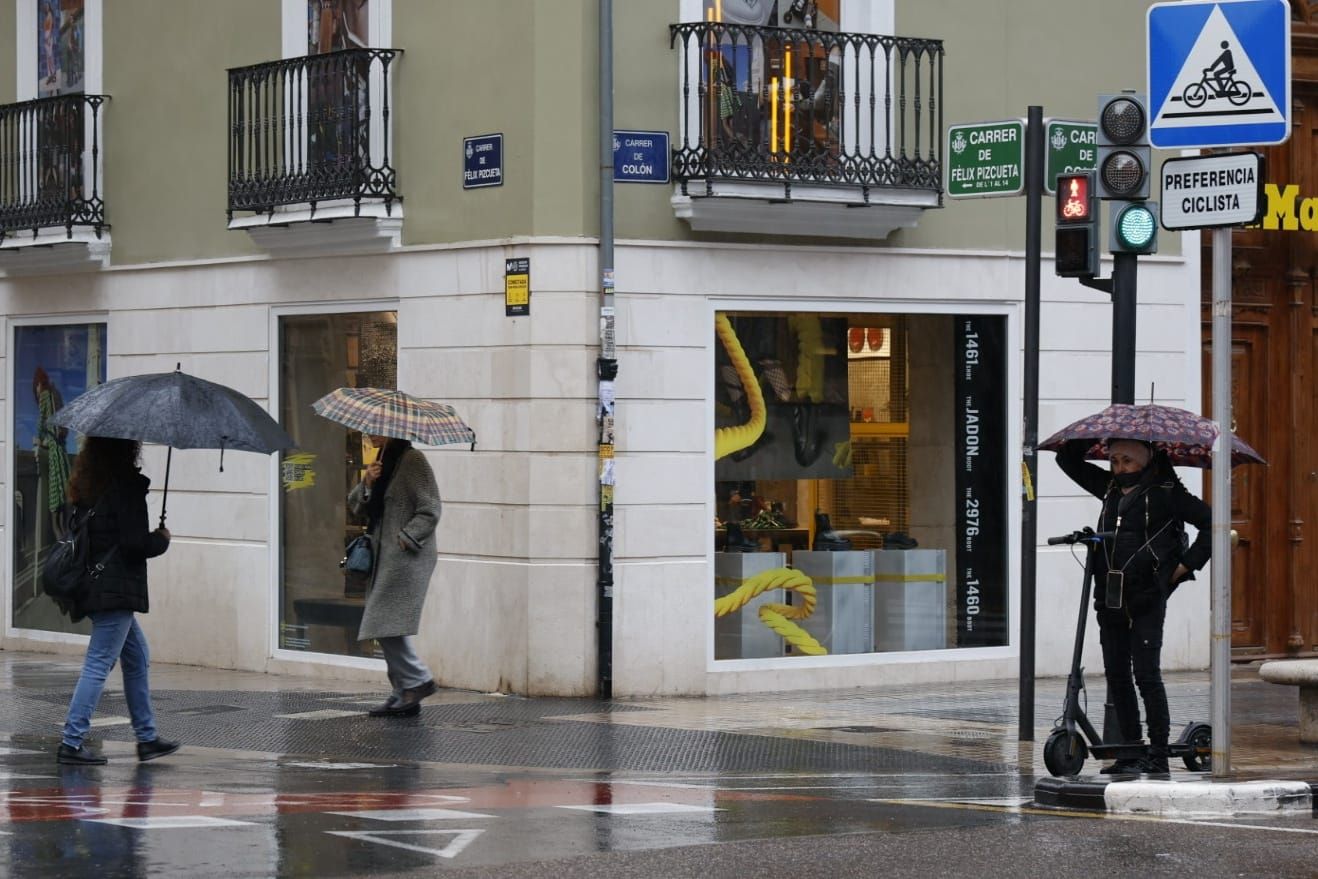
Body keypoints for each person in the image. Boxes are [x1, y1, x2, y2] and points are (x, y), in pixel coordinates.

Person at [1057, 438, 1211, 775]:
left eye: (1128, 460)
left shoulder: (1168, 493)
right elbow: (1067, 460)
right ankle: (1130, 749)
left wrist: (1184, 567)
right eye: (1114, 460)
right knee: (1116, 673)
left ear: (1145, 459)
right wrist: (1098, 433)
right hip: (1109, 595)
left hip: (1147, 596)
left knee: (1146, 675)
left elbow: (1212, 524)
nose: (1121, 468)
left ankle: (1157, 753)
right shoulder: (1110, 488)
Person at [56, 437, 177, 766]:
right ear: (126, 449)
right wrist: (161, 540)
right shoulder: (126, 487)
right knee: (98, 664)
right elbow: (134, 544)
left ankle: (147, 738)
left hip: (98, 586)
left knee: (137, 657)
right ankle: (71, 741)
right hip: (115, 589)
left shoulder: (90, 484)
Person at [349, 434, 441, 717]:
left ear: (392, 430)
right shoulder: (382, 462)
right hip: (383, 557)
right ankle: (404, 692)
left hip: (405, 558)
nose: (369, 435)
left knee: (383, 622)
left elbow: (430, 509)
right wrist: (367, 482)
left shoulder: (413, 461)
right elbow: (356, 507)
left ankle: (418, 680)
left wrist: (406, 537)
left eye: (374, 430)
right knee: (387, 625)